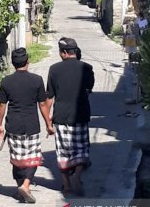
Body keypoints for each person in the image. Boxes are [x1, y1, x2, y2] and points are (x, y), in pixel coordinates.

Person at [0, 48, 54, 203]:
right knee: (33, 158)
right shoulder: (37, 80)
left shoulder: (6, 81)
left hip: (13, 125)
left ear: (13, 63)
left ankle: (20, 187)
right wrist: (49, 123)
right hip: (31, 125)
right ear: (27, 62)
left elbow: (2, 104)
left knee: (17, 159)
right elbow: (42, 104)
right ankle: (26, 185)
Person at [46, 37, 94, 196]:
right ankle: (78, 175)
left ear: (64, 52)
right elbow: (89, 89)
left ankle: (66, 185)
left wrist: (47, 121)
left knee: (63, 151)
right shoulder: (87, 68)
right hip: (80, 115)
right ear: (75, 52)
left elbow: (49, 98)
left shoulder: (54, 69)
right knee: (82, 149)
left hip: (60, 116)